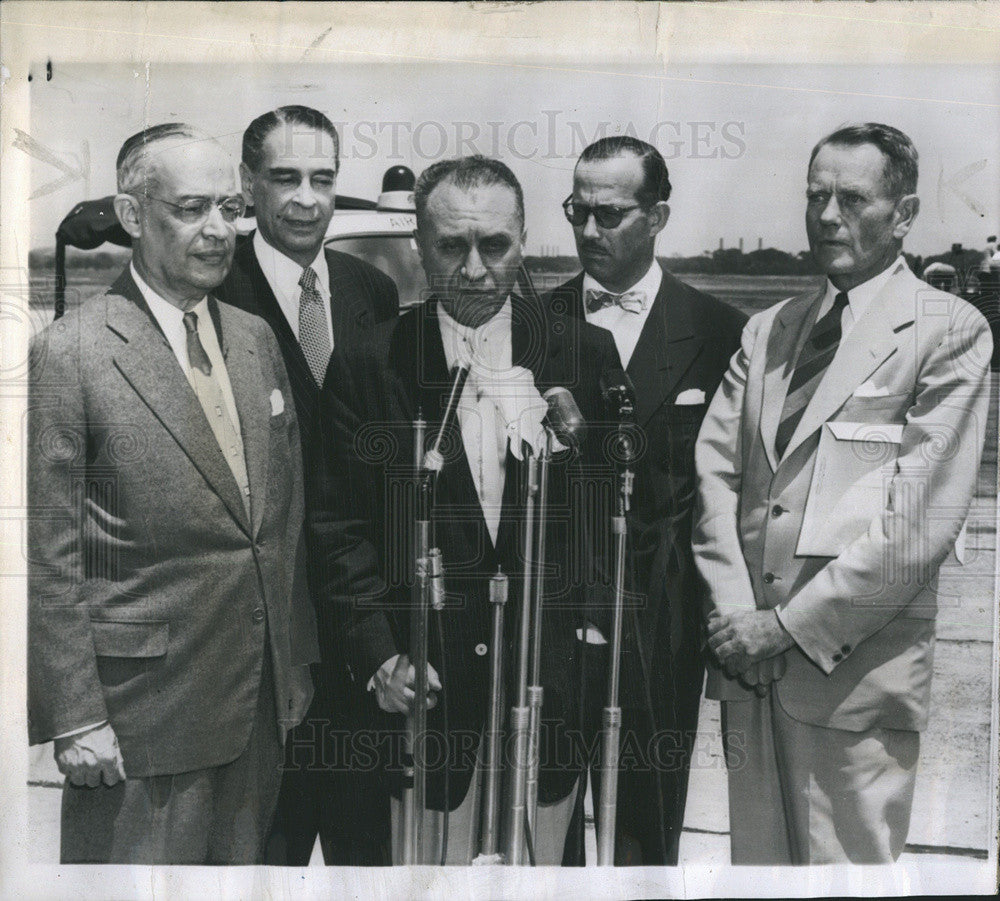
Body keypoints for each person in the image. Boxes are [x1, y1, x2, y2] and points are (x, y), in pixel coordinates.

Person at [692, 123, 993, 864]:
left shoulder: (948, 331)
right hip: (750, 674)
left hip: (849, 680)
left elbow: (916, 526)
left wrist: (786, 626)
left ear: (905, 213)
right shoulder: (769, 331)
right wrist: (737, 615)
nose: (827, 216)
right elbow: (716, 474)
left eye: (852, 198)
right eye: (814, 196)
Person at [311, 155, 620, 864]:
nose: (475, 269)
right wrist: (380, 654)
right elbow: (338, 528)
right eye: (451, 246)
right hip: (423, 704)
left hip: (543, 699)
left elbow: (604, 522)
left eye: (495, 245)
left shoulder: (583, 353)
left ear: (524, 239)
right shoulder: (368, 363)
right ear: (419, 247)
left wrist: (587, 642)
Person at [27, 123, 318, 864]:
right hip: (137, 726)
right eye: (192, 209)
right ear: (132, 216)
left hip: (256, 712)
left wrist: (296, 664)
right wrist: (75, 718)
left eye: (230, 207)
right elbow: (54, 555)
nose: (218, 230)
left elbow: (279, 524)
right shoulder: (74, 350)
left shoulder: (255, 340)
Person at [547, 136, 746, 866]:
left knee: (647, 829)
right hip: (557, 619)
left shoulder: (724, 332)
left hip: (665, 623)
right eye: (578, 212)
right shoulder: (533, 324)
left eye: (611, 214)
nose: (589, 231)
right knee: (547, 822)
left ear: (658, 215)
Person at [216, 105, 398, 866]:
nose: (305, 198)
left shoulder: (371, 289)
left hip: (362, 642)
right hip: (267, 652)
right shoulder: (217, 290)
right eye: (284, 177)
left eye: (322, 179)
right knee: (268, 856)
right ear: (248, 185)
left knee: (368, 858)